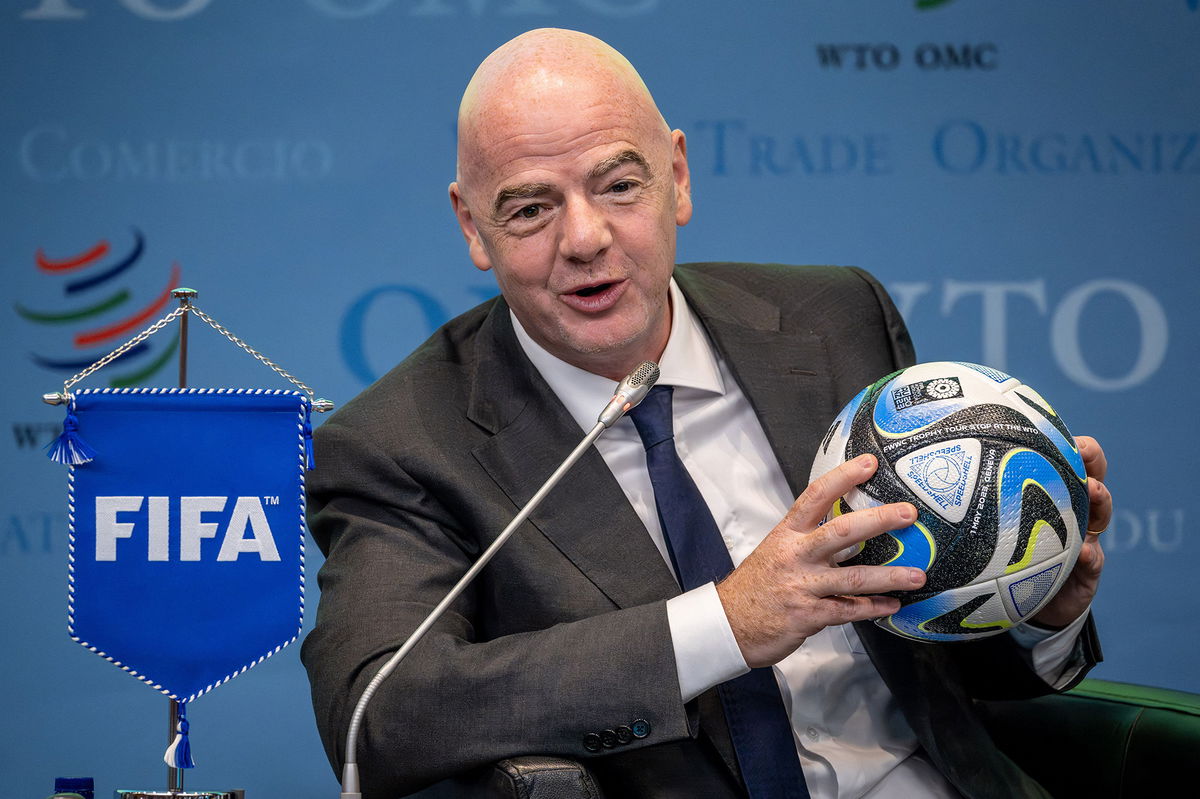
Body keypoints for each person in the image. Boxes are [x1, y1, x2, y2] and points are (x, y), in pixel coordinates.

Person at [302, 28, 1111, 799]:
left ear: (678, 177)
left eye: (620, 185)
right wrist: (725, 623)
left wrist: (1033, 608)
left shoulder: (835, 320)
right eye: (530, 209)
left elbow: (939, 658)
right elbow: (380, 715)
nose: (585, 238)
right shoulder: (401, 443)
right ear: (472, 224)